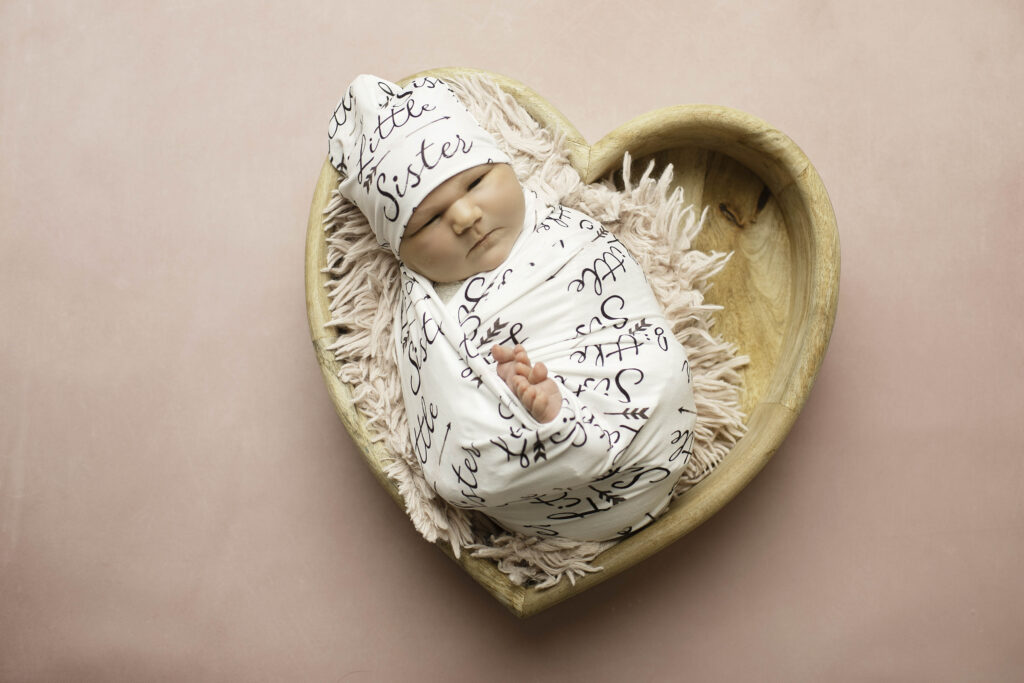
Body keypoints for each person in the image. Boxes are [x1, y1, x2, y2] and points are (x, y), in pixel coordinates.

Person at [328, 74, 697, 541]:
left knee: (661, 365)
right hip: (549, 493)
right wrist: (515, 413)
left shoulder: (569, 233)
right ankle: (556, 426)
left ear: (506, 166)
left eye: (476, 182)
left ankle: (571, 426)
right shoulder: (427, 318)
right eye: (430, 220)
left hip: (648, 424)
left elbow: (631, 311)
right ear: (401, 251)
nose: (464, 217)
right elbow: (449, 441)